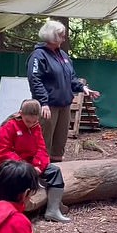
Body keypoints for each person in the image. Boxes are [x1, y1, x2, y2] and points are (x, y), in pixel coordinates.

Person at [27, 20, 100, 162]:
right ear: (52, 36)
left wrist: (82, 88)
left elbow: (71, 77)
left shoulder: (63, 56)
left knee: (59, 142)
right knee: (44, 141)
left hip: (64, 105)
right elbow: (35, 80)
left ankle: (56, 171)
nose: (64, 38)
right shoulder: (38, 56)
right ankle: (39, 172)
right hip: (48, 106)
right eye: (61, 35)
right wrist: (43, 102)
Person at [0, 99, 70, 223]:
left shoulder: (36, 127)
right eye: (28, 121)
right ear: (20, 113)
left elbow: (41, 149)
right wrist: (27, 167)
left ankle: (53, 210)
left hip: (32, 164)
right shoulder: (8, 126)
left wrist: (38, 165)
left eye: (34, 121)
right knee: (18, 179)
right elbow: (3, 152)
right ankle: (12, 213)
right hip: (11, 164)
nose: (31, 124)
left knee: (55, 171)